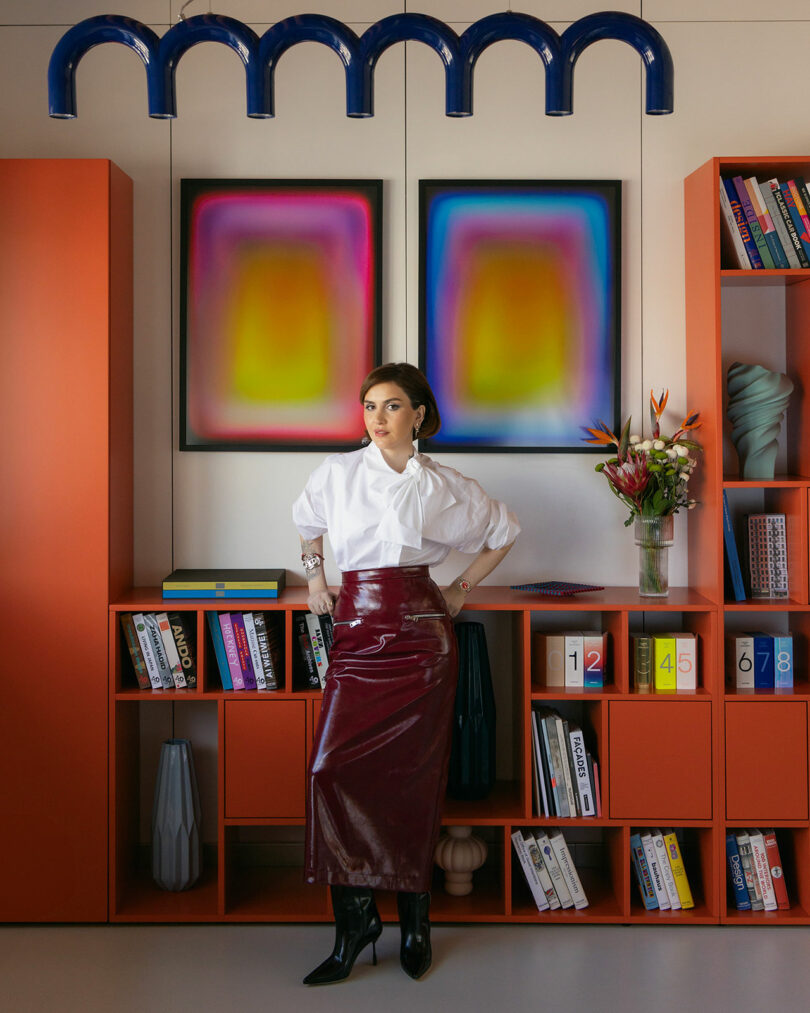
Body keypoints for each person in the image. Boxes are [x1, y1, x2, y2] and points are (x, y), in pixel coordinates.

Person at [292, 362, 519, 985]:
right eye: (369, 406)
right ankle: (355, 925)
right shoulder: (337, 474)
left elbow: (505, 530)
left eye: (391, 406)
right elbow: (307, 524)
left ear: (418, 414)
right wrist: (316, 579)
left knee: (416, 784)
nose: (377, 418)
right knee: (329, 771)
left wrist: (462, 588)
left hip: (422, 642)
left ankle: (417, 925)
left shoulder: (444, 485)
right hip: (358, 636)